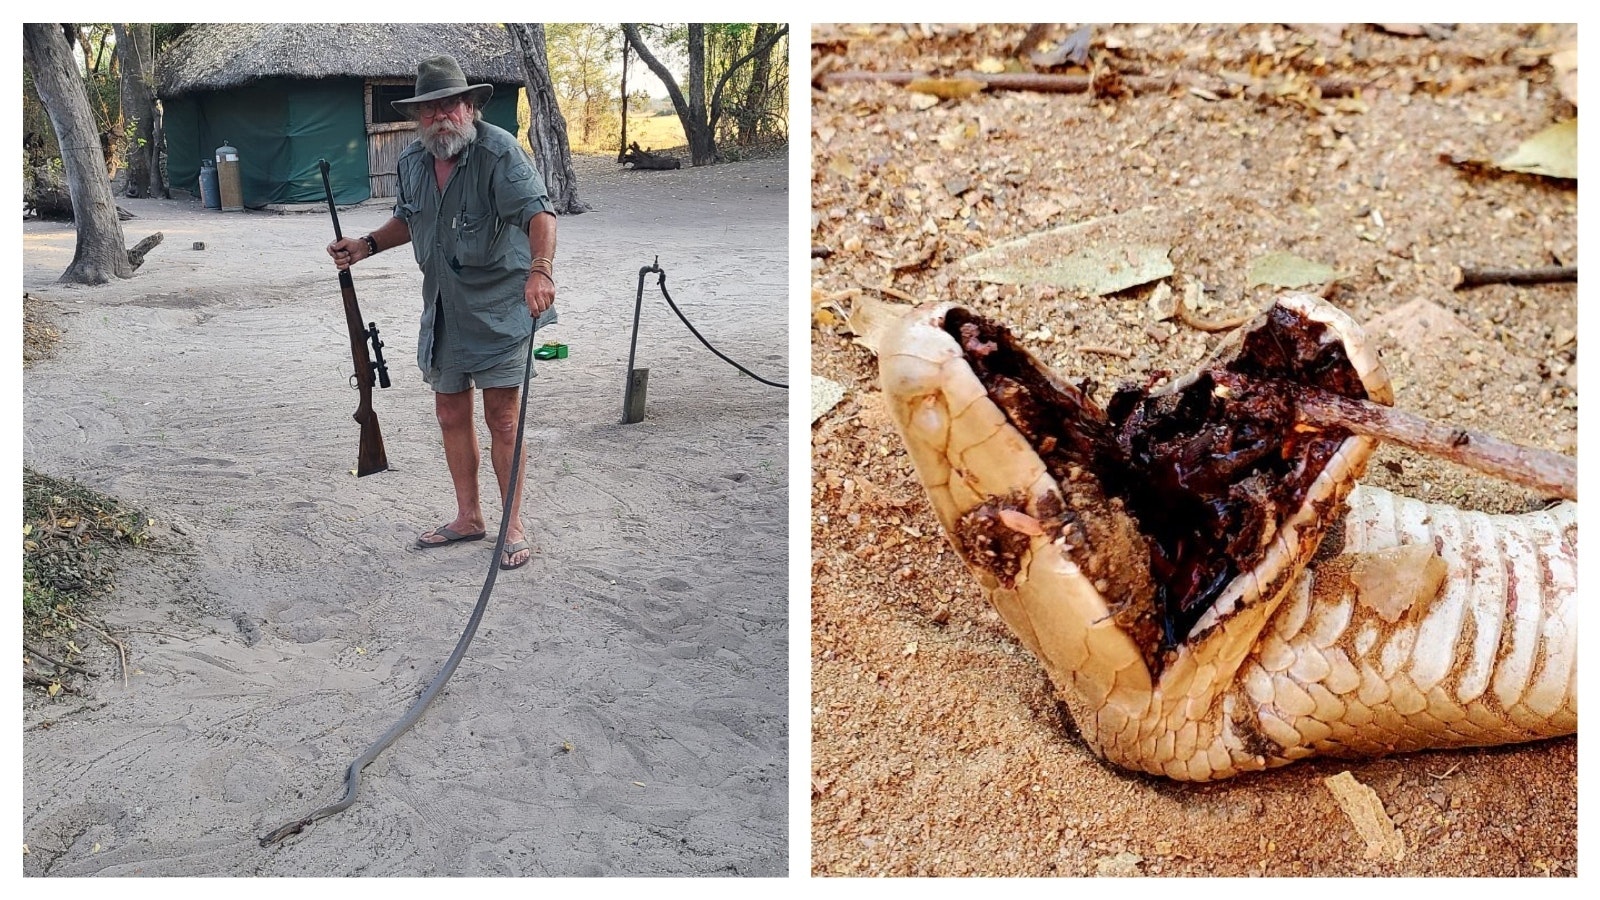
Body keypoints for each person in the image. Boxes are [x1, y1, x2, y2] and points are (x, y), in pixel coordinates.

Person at [328, 54, 556, 570]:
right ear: (417, 116)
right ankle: (468, 517)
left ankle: (512, 525)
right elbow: (410, 218)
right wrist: (365, 244)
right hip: (443, 307)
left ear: (469, 106)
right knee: (450, 411)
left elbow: (539, 213)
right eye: (429, 109)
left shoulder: (500, 154)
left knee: (502, 417)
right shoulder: (412, 161)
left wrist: (541, 270)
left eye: (449, 104)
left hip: (501, 306)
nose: (440, 117)